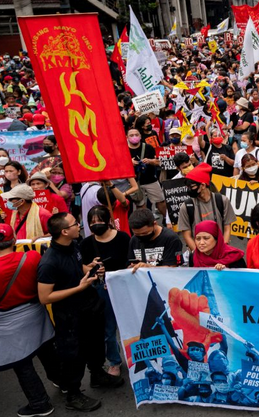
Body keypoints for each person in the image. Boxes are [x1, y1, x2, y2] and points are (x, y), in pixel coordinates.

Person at [38, 213, 124, 412]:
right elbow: (45, 297)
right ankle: (73, 395)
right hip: (69, 316)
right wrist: (79, 287)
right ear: (64, 231)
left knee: (95, 344)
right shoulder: (49, 262)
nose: (80, 225)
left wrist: (91, 269)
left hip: (89, 307)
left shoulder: (73, 246)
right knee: (73, 355)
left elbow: (79, 267)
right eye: (75, 223)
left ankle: (97, 374)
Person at [0, 224, 56, 417]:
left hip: (7, 321)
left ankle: (40, 403)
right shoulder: (31, 257)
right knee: (47, 349)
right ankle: (63, 381)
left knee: (22, 363)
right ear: (14, 240)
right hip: (35, 312)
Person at [79, 206, 131, 377]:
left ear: (109, 221)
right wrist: (93, 268)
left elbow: (130, 263)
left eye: (100, 221)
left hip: (124, 287)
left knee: (131, 325)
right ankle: (114, 361)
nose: (96, 225)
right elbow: (84, 267)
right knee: (108, 330)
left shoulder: (123, 238)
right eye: (92, 222)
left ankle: (138, 358)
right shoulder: (86, 243)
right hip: (102, 291)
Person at [176, 163, 236, 258]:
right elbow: (187, 235)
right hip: (198, 254)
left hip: (220, 252)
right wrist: (198, 254)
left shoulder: (222, 201)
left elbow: (227, 227)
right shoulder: (187, 206)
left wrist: (223, 249)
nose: (189, 189)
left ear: (203, 185)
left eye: (192, 187)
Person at [127, 128, 167, 220]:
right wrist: (129, 163)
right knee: (140, 205)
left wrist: (150, 161)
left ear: (140, 136)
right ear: (127, 137)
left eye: (136, 135)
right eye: (131, 135)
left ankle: (168, 219)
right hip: (134, 183)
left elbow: (158, 162)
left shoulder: (148, 147)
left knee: (161, 201)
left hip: (150, 180)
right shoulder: (124, 150)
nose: (134, 137)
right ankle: (147, 222)